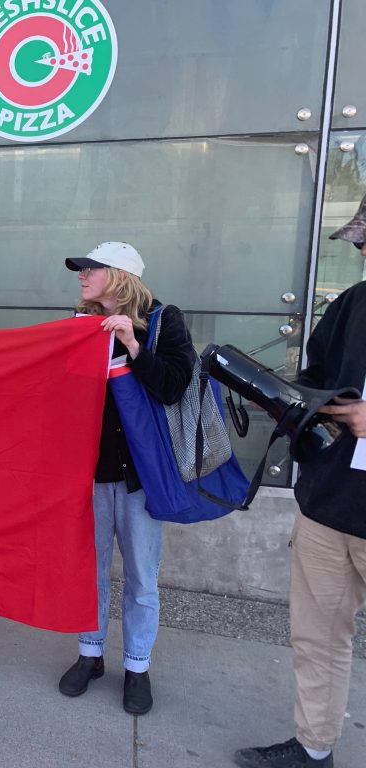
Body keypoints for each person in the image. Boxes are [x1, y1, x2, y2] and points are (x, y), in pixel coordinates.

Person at [234, 196, 366, 768]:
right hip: (329, 504)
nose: (361, 250)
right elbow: (315, 377)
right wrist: (284, 396)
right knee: (317, 639)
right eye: (360, 241)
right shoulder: (352, 304)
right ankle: (314, 750)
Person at [57, 241, 196, 715]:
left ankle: (137, 666)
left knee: (141, 576)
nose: (81, 277)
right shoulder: (78, 325)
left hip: (141, 475)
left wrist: (133, 345)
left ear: (118, 276)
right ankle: (90, 655)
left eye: (89, 270)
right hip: (90, 472)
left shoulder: (163, 320)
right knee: (89, 571)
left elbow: (174, 387)